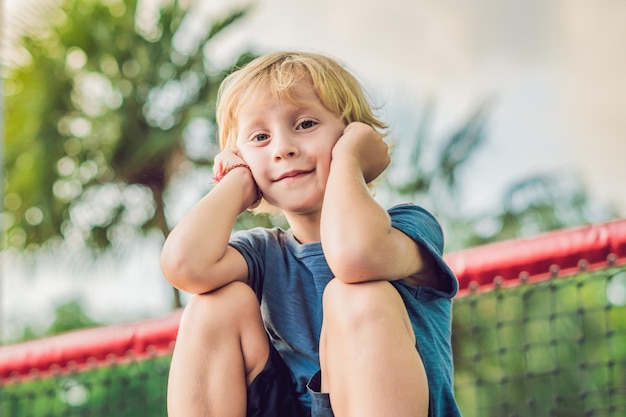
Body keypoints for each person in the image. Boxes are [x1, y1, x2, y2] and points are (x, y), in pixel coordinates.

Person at [160, 51, 461, 417]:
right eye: (259, 137)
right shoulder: (262, 253)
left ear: (352, 132)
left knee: (354, 295)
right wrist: (237, 182)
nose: (283, 148)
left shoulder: (408, 228)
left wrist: (349, 159)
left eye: (305, 124)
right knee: (212, 305)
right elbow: (184, 264)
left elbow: (356, 256)